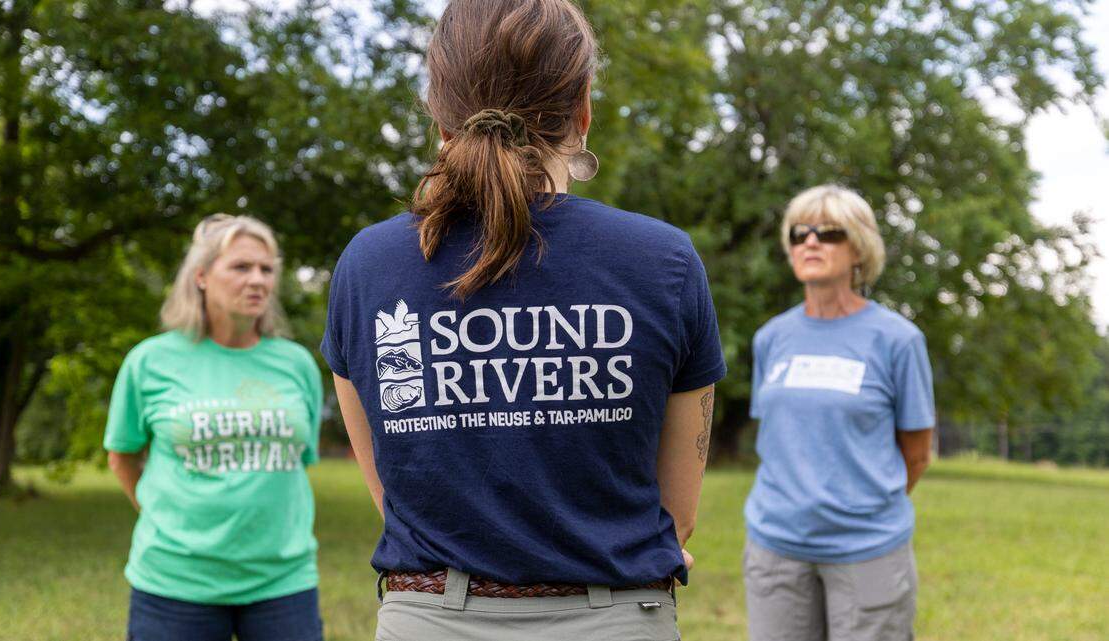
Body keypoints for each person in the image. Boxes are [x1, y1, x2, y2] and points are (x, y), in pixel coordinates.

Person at [319, 1, 727, 639]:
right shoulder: (662, 260)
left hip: (429, 617)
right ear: (583, 109)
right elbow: (678, 511)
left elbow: (391, 488)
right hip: (614, 618)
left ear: (438, 110)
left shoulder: (369, 265)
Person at [104, 214, 324, 641]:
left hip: (284, 582)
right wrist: (165, 518)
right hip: (174, 582)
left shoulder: (296, 364)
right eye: (241, 267)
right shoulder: (149, 362)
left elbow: (299, 460)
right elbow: (122, 457)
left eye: (266, 269)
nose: (257, 279)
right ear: (201, 276)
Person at [744, 185, 936, 641]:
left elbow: (917, 454)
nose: (810, 241)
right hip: (775, 552)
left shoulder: (899, 340)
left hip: (868, 554)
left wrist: (856, 508)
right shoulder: (771, 338)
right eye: (799, 233)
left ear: (859, 249)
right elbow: (776, 438)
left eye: (828, 233)